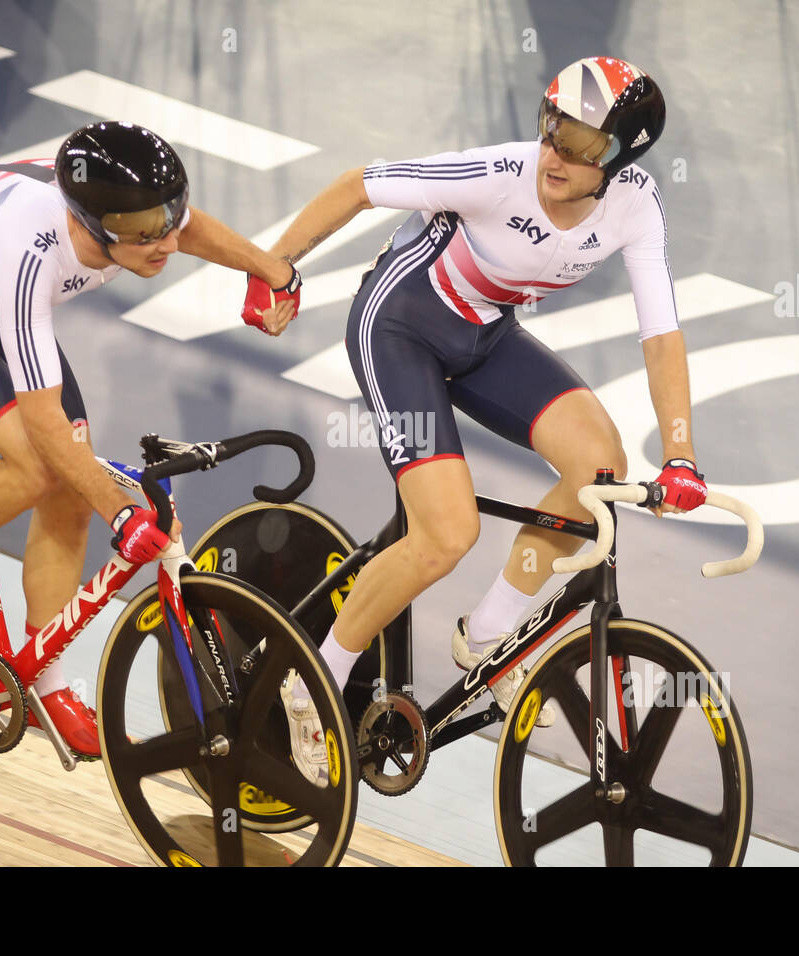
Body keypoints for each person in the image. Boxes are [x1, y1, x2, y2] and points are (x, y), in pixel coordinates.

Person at [242, 56, 708, 778]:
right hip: (397, 331)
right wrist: (275, 270)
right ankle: (315, 680)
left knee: (600, 469)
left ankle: (488, 635)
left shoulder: (635, 203)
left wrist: (680, 454)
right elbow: (359, 185)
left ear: (621, 158)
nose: (557, 154)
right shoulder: (498, 172)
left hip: (485, 335)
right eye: (554, 129)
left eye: (584, 146)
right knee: (447, 533)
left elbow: (662, 333)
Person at [0, 120, 301, 757]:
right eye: (141, 233)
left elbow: (187, 226)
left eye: (165, 219)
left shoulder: (136, 218)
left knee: (70, 488)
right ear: (93, 225)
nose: (163, 243)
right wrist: (120, 510)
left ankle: (41, 678)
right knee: (46, 467)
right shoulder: (31, 249)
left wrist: (272, 271)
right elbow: (44, 426)